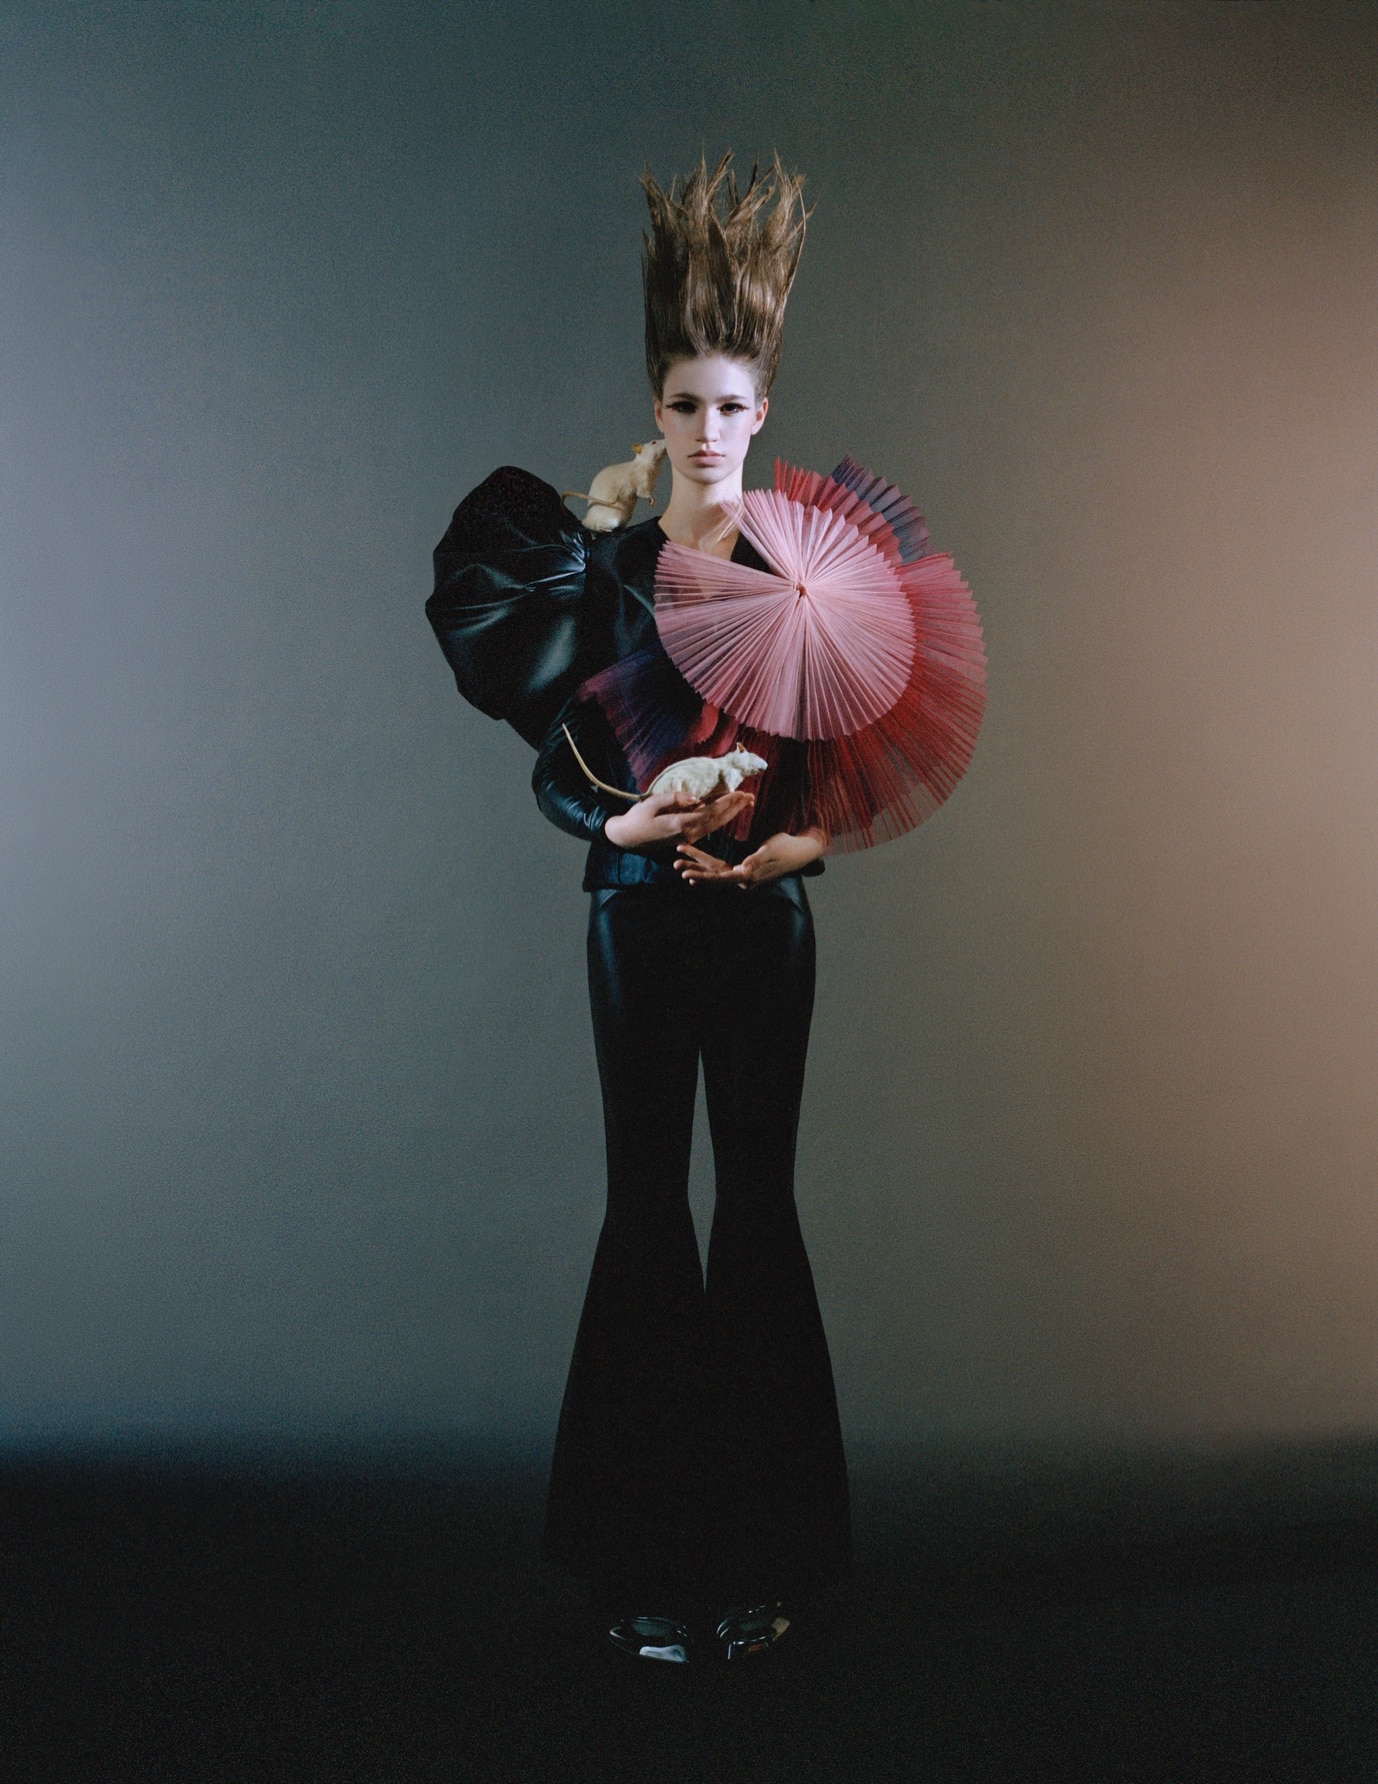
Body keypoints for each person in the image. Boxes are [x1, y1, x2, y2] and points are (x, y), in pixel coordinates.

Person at [426, 155, 850, 1662]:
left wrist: (759, 858)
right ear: (656, 409)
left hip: (756, 931)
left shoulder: (807, 580)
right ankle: (644, 1569)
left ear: (761, 413)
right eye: (687, 405)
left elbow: (831, 809)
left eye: (735, 406)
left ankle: (758, 1566)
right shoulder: (597, 572)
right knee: (644, 1216)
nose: (712, 430)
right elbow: (557, 783)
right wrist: (631, 817)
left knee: (755, 1214)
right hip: (628, 918)